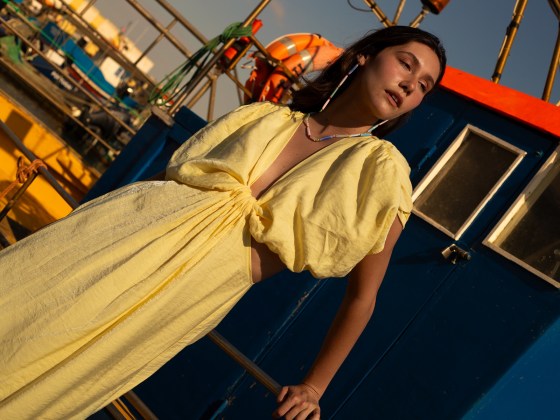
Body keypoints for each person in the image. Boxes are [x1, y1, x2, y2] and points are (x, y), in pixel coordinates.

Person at [0, 26, 446, 419]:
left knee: (57, 374)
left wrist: (315, 387)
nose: (410, 84)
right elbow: (166, 180)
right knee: (22, 303)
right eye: (406, 64)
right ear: (363, 57)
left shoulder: (380, 172)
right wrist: (88, 223)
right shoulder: (264, 116)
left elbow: (363, 297)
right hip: (117, 232)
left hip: (185, 292)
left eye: (423, 85)